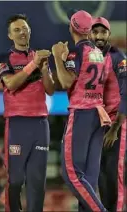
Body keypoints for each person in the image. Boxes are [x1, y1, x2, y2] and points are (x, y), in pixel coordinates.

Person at [0, 14, 54, 212]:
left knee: (37, 181)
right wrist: (34, 64)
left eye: (25, 28)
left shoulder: (39, 55)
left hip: (40, 123)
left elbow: (50, 90)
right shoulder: (4, 58)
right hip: (17, 123)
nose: (22, 32)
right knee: (16, 179)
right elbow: (10, 84)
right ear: (9, 35)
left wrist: (45, 69)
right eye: (17, 30)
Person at [52, 10, 110, 211]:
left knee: (72, 174)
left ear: (72, 27)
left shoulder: (76, 52)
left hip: (81, 113)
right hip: (97, 113)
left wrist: (58, 57)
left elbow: (67, 80)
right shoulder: (99, 53)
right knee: (89, 177)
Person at [89, 17, 127, 212]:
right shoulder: (86, 55)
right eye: (95, 32)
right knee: (99, 176)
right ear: (89, 34)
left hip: (114, 125)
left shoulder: (118, 57)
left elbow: (126, 93)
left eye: (103, 32)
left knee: (113, 174)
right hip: (93, 126)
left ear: (109, 34)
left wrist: (115, 129)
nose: (99, 36)